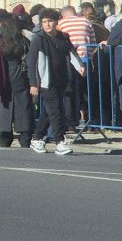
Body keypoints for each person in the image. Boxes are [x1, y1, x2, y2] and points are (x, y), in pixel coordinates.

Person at [27, 8, 75, 155]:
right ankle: (59, 141)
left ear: (56, 22)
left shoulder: (63, 37)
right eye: (44, 22)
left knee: (48, 112)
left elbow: (71, 53)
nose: (47, 25)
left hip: (60, 79)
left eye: (50, 21)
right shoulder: (39, 39)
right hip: (45, 81)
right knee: (56, 111)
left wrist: (80, 67)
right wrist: (34, 83)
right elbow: (32, 62)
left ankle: (37, 138)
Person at [0, 10, 32, 148]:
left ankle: (5, 136)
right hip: (20, 72)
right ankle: (25, 136)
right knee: (23, 103)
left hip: (4, 71)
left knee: (4, 103)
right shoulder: (22, 38)